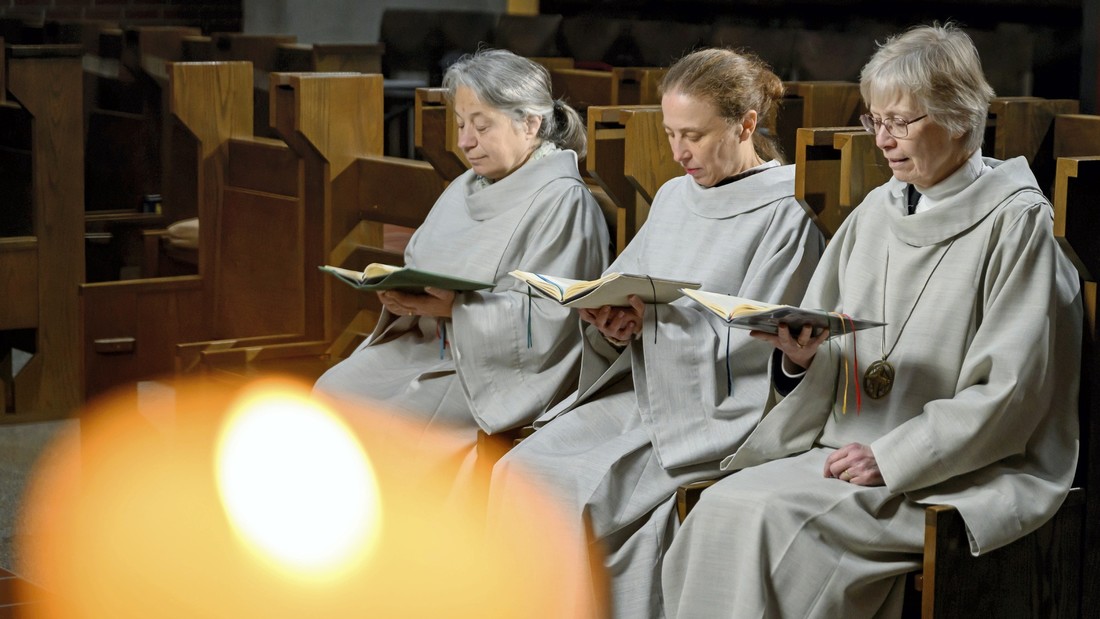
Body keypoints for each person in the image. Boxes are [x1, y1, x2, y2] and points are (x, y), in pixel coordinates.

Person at [662, 24, 1081, 618]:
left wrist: (896, 455)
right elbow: (834, 344)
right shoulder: (876, 212)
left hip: (950, 470)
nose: (883, 139)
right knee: (717, 510)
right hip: (846, 451)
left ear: (959, 117)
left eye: (901, 122)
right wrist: (802, 359)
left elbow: (1013, 391)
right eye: (875, 120)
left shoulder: (1015, 225)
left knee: (768, 524)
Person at [488, 48, 825, 617]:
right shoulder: (672, 196)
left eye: (693, 134)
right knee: (516, 471)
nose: (677, 152)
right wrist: (613, 324)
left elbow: (759, 344)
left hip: (710, 413)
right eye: (670, 133)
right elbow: (630, 287)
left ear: (745, 123)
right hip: (641, 391)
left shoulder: (784, 214)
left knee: (572, 497)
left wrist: (657, 327)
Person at [313, 49, 610, 465]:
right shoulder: (466, 184)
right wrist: (403, 295)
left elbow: (554, 323)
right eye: (460, 124)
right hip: (427, 341)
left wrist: (459, 308)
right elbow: (421, 257)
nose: (464, 142)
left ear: (531, 123)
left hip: (495, 371)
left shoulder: (563, 202)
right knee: (331, 391)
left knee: (391, 424)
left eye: (481, 126)